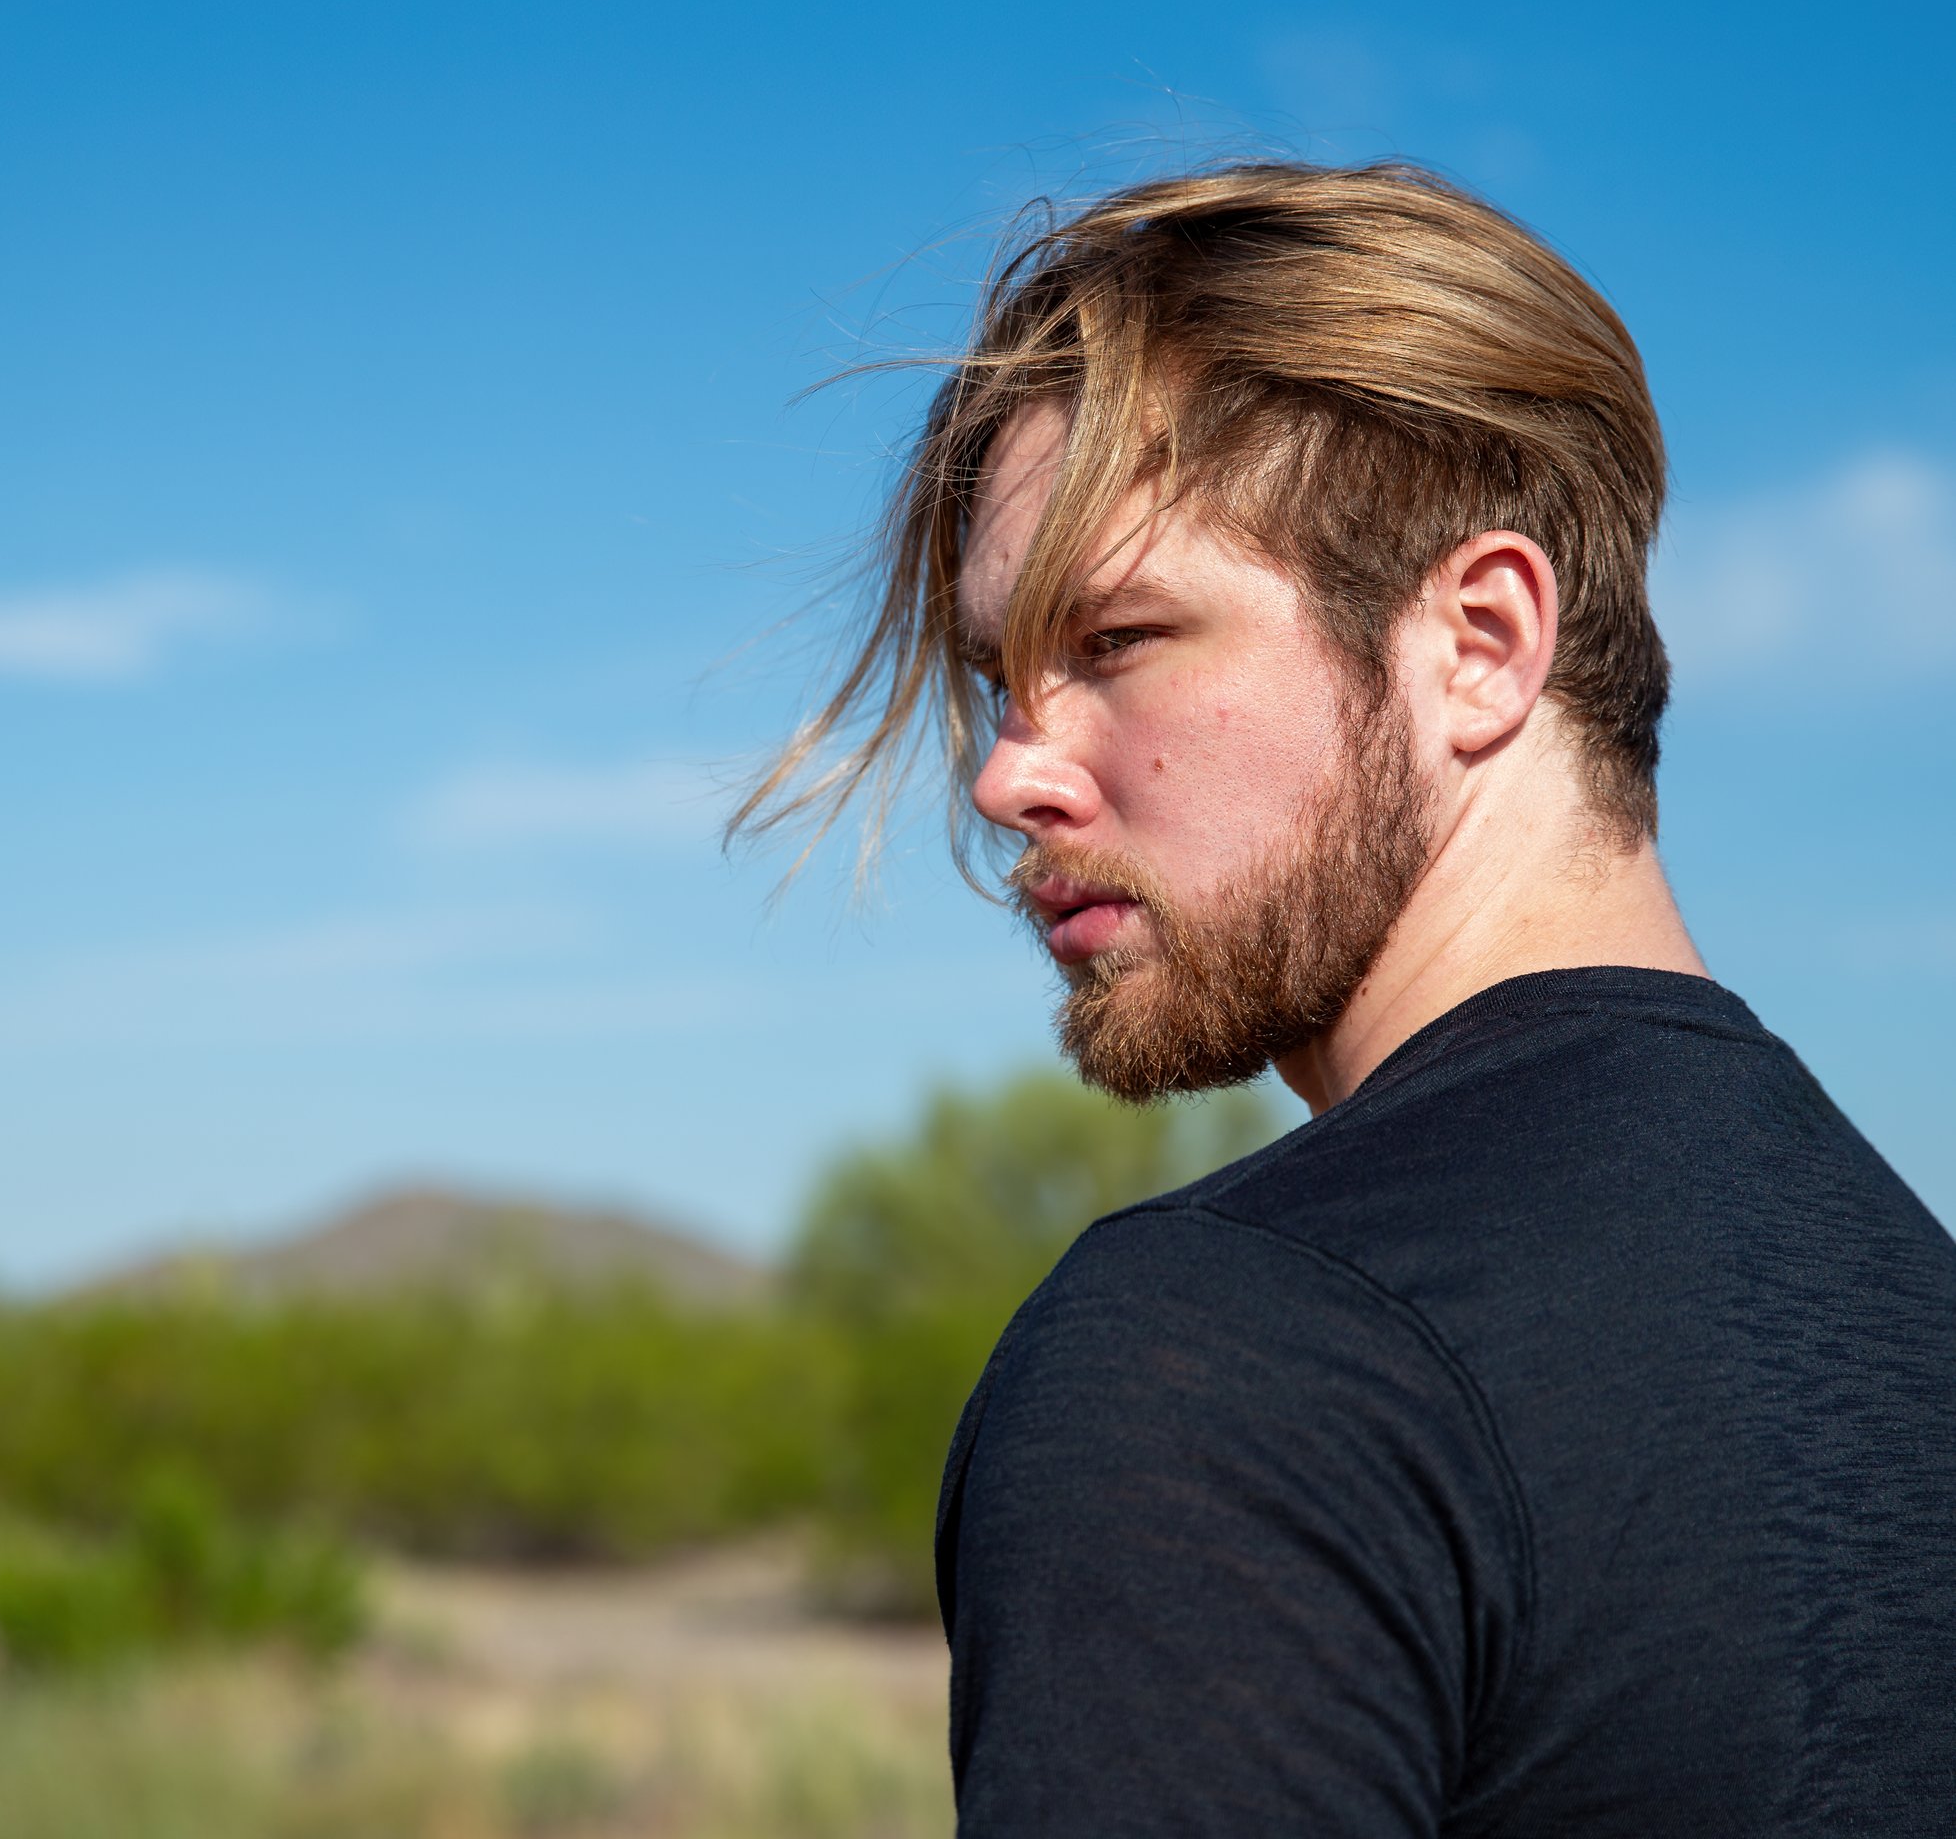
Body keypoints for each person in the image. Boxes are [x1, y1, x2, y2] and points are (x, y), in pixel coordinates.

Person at [736, 161, 1956, 1832]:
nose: (1011, 774)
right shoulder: (1909, 1305)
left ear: (1478, 640)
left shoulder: (1232, 1360)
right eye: (995, 679)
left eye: (1116, 639)